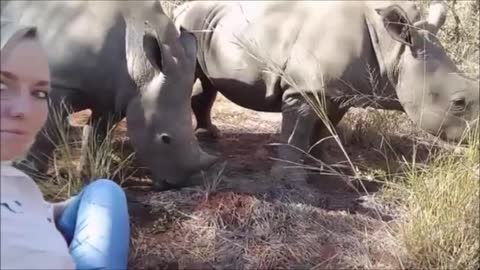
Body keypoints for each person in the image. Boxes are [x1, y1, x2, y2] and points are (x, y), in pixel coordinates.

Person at [1, 18, 131, 269]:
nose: (23, 110)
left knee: (105, 191)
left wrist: (43, 213)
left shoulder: (14, 179)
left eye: (39, 93)